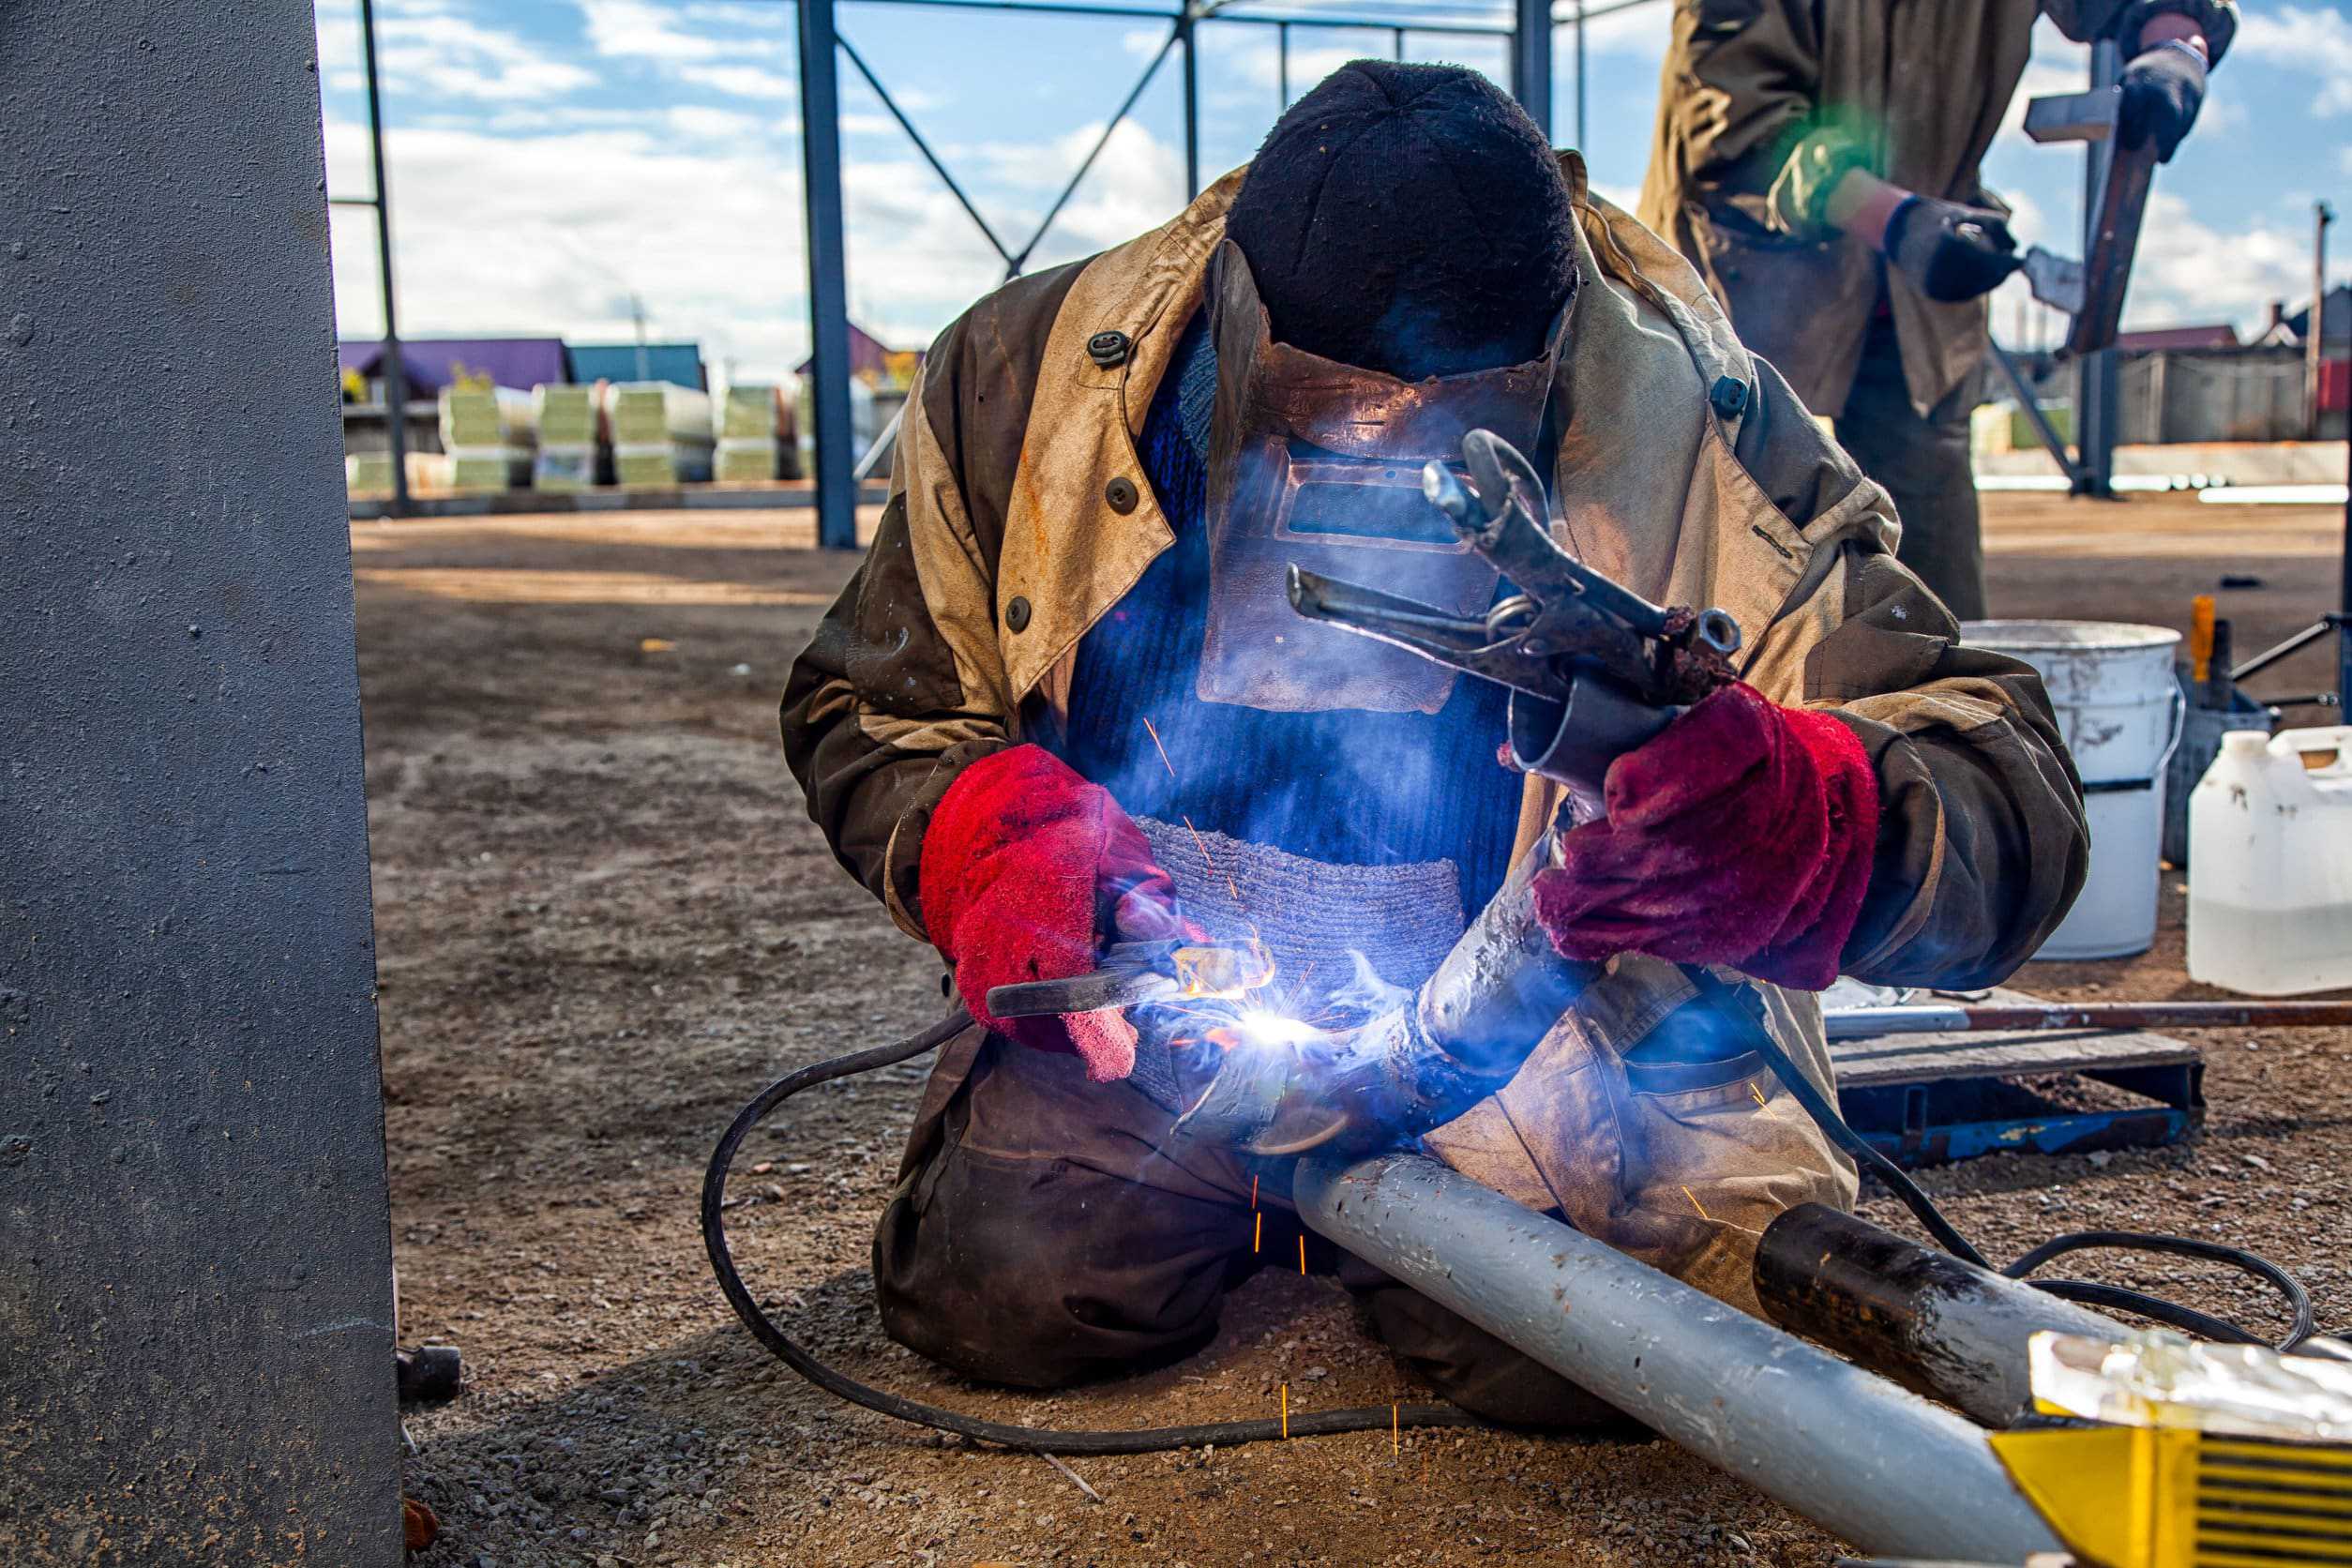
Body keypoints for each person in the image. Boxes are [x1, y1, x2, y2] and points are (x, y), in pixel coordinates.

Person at [782, 61, 2087, 1426]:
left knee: (1595, 1367)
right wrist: (999, 840)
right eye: (1325, 432)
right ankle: (1284, 1203)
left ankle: (1358, 1214)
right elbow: (870, 703)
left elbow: (2000, 776)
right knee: (1005, 1293)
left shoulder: (1708, 424)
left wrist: (1808, 825)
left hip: (1529, 1038)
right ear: (1240, 314)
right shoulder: (1026, 377)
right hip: (1158, 1006)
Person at [1638, 0, 2235, 620]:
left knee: (1935, 605)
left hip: (1917, 310)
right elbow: (1732, 124)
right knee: (1730, 598)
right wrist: (1893, 220)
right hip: (1750, 289)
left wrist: (2176, 45)